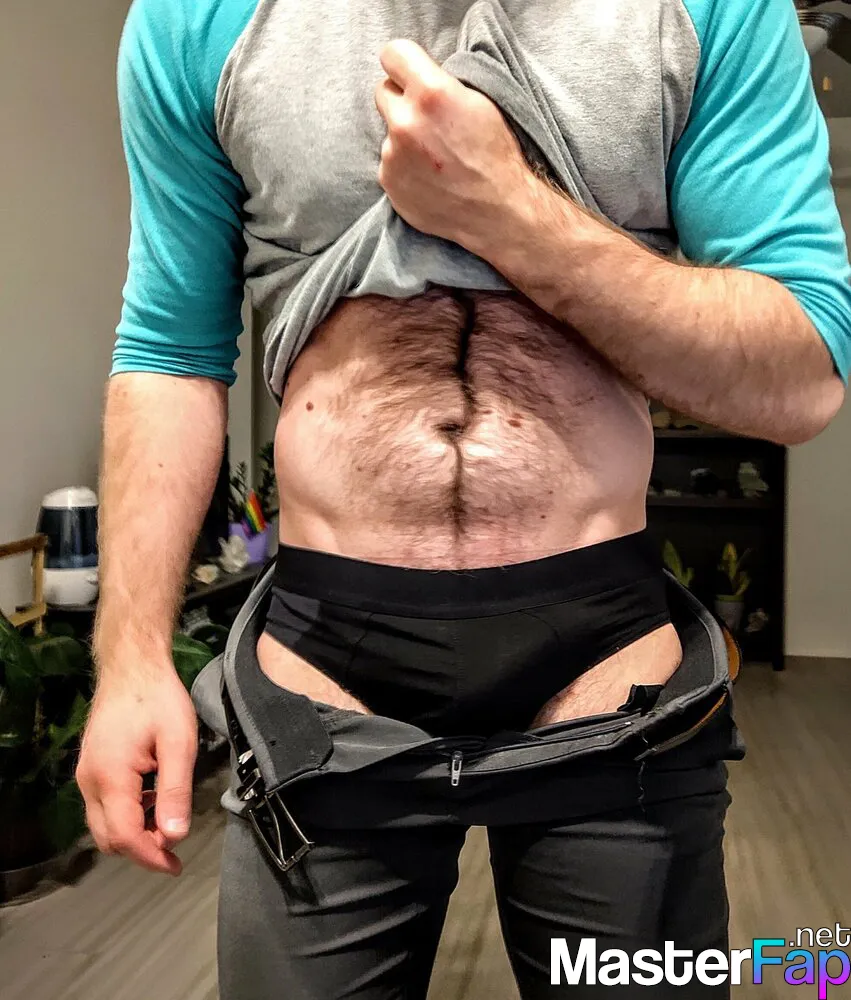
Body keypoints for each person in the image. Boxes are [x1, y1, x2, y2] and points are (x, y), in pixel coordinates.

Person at [77, 0, 851, 997]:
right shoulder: (197, 19)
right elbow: (169, 353)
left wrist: (510, 212)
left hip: (607, 672)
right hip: (322, 675)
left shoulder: (709, 11)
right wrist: (130, 657)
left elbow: (800, 379)